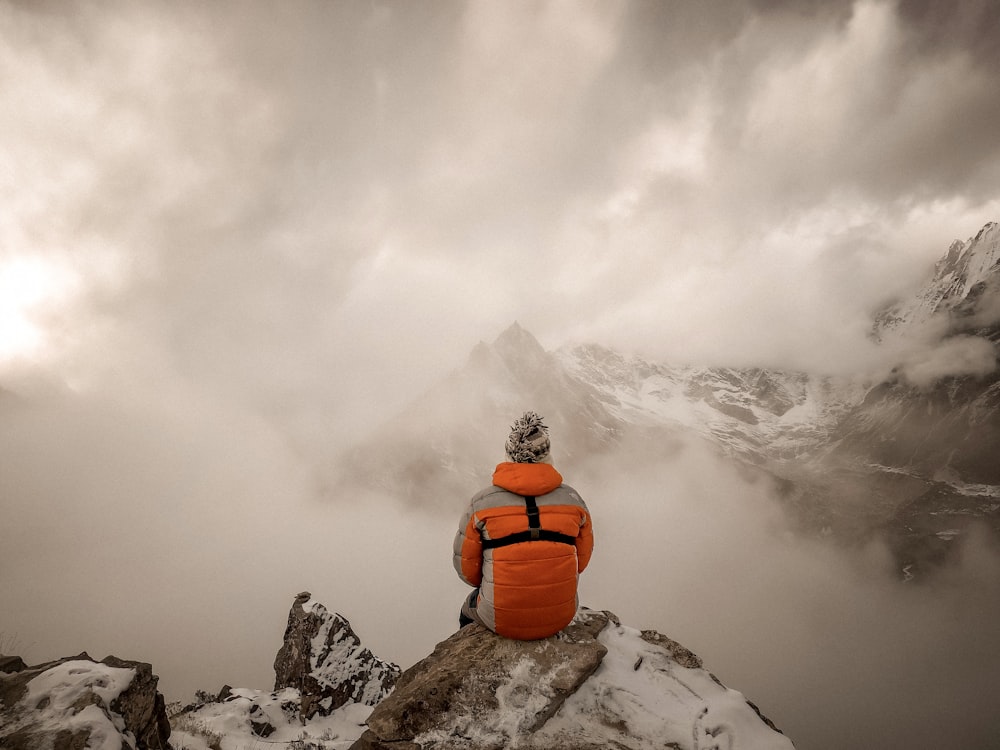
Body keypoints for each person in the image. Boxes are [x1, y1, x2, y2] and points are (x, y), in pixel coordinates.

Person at [452, 411, 594, 640]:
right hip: (561, 615)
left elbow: (467, 571)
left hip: (501, 619)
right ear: (548, 456)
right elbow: (581, 562)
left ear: (509, 455)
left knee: (468, 608)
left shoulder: (481, 504)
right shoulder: (573, 500)